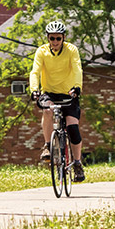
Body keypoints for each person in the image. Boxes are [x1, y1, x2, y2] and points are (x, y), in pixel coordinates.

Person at [29, 20, 85, 183]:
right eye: (52, 38)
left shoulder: (71, 50)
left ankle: (77, 163)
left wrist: (76, 87)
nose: (55, 42)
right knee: (47, 110)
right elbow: (35, 71)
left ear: (63, 38)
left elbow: (77, 68)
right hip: (49, 93)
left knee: (73, 128)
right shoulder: (42, 52)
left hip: (69, 94)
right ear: (48, 38)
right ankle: (47, 146)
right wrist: (34, 89)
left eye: (58, 38)